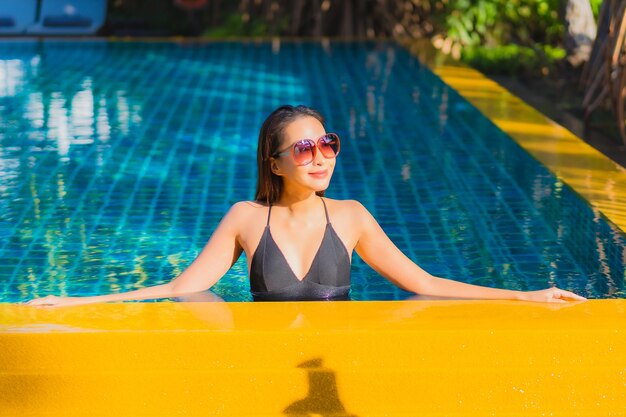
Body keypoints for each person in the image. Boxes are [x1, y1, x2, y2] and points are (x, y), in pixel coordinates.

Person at [26, 105, 586, 307]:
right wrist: (80, 300)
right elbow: (180, 287)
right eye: (304, 148)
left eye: (328, 144)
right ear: (275, 163)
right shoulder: (246, 218)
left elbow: (424, 282)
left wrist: (525, 294)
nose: (321, 157)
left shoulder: (352, 217)